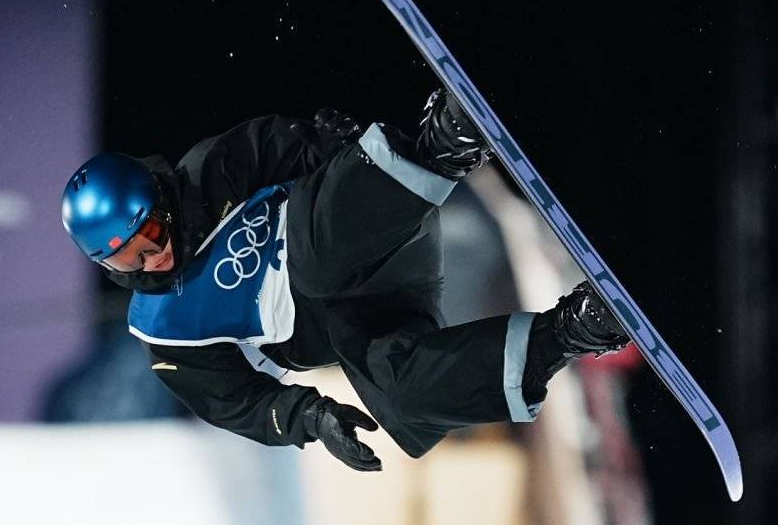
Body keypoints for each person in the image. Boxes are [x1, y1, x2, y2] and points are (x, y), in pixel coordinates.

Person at [61, 89, 630, 471]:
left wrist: (340, 148)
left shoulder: (212, 170)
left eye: (150, 235)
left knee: (313, 263)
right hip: (365, 311)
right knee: (406, 405)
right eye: (126, 262)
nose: (152, 261)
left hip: (375, 230)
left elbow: (294, 148)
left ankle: (446, 146)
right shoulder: (163, 328)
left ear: (159, 198)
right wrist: (311, 417)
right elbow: (238, 403)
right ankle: (575, 330)